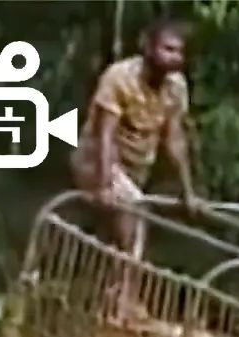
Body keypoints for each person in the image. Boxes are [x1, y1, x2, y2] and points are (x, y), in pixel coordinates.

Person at [71, 18, 201, 314]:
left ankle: (101, 298)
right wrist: (104, 184)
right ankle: (124, 301)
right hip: (99, 161)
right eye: (167, 49)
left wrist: (187, 192)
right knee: (134, 218)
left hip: (135, 170)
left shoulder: (175, 88)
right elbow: (105, 135)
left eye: (178, 52)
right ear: (148, 47)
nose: (173, 58)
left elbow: (175, 139)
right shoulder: (120, 77)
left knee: (115, 234)